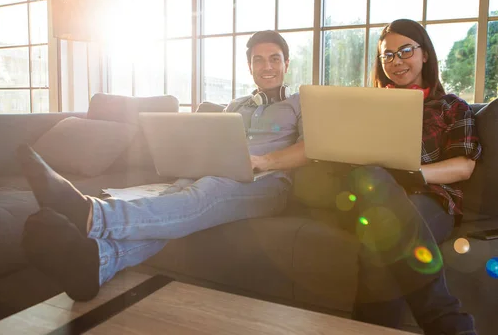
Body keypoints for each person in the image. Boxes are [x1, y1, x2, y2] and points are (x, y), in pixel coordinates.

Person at [18, 30, 308, 302]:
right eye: (258, 59)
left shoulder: (299, 104)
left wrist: (262, 161)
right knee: (171, 203)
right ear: (249, 66)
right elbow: (211, 142)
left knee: (207, 189)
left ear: (286, 64)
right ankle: (95, 264)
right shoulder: (236, 105)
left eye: (274, 59)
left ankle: (94, 215)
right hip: (216, 172)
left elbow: (308, 149)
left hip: (268, 185)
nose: (266, 66)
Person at [347, 19, 482, 335]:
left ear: (425, 55)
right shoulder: (370, 108)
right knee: (370, 179)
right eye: (388, 55)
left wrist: (413, 175)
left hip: (431, 200)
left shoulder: (452, 107)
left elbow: (464, 166)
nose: (397, 61)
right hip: (373, 194)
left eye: (405, 50)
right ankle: (452, 325)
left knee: (380, 244)